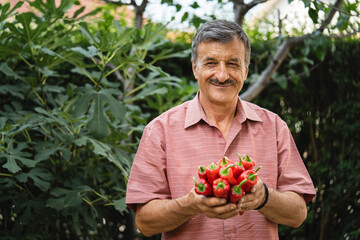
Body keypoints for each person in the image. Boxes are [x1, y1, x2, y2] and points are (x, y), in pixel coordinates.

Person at [126, 20, 316, 240]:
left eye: (233, 64)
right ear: (195, 68)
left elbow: (298, 213)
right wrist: (189, 205)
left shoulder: (274, 128)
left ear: (245, 70)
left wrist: (264, 198)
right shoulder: (160, 131)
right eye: (211, 63)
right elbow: (145, 223)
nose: (222, 75)